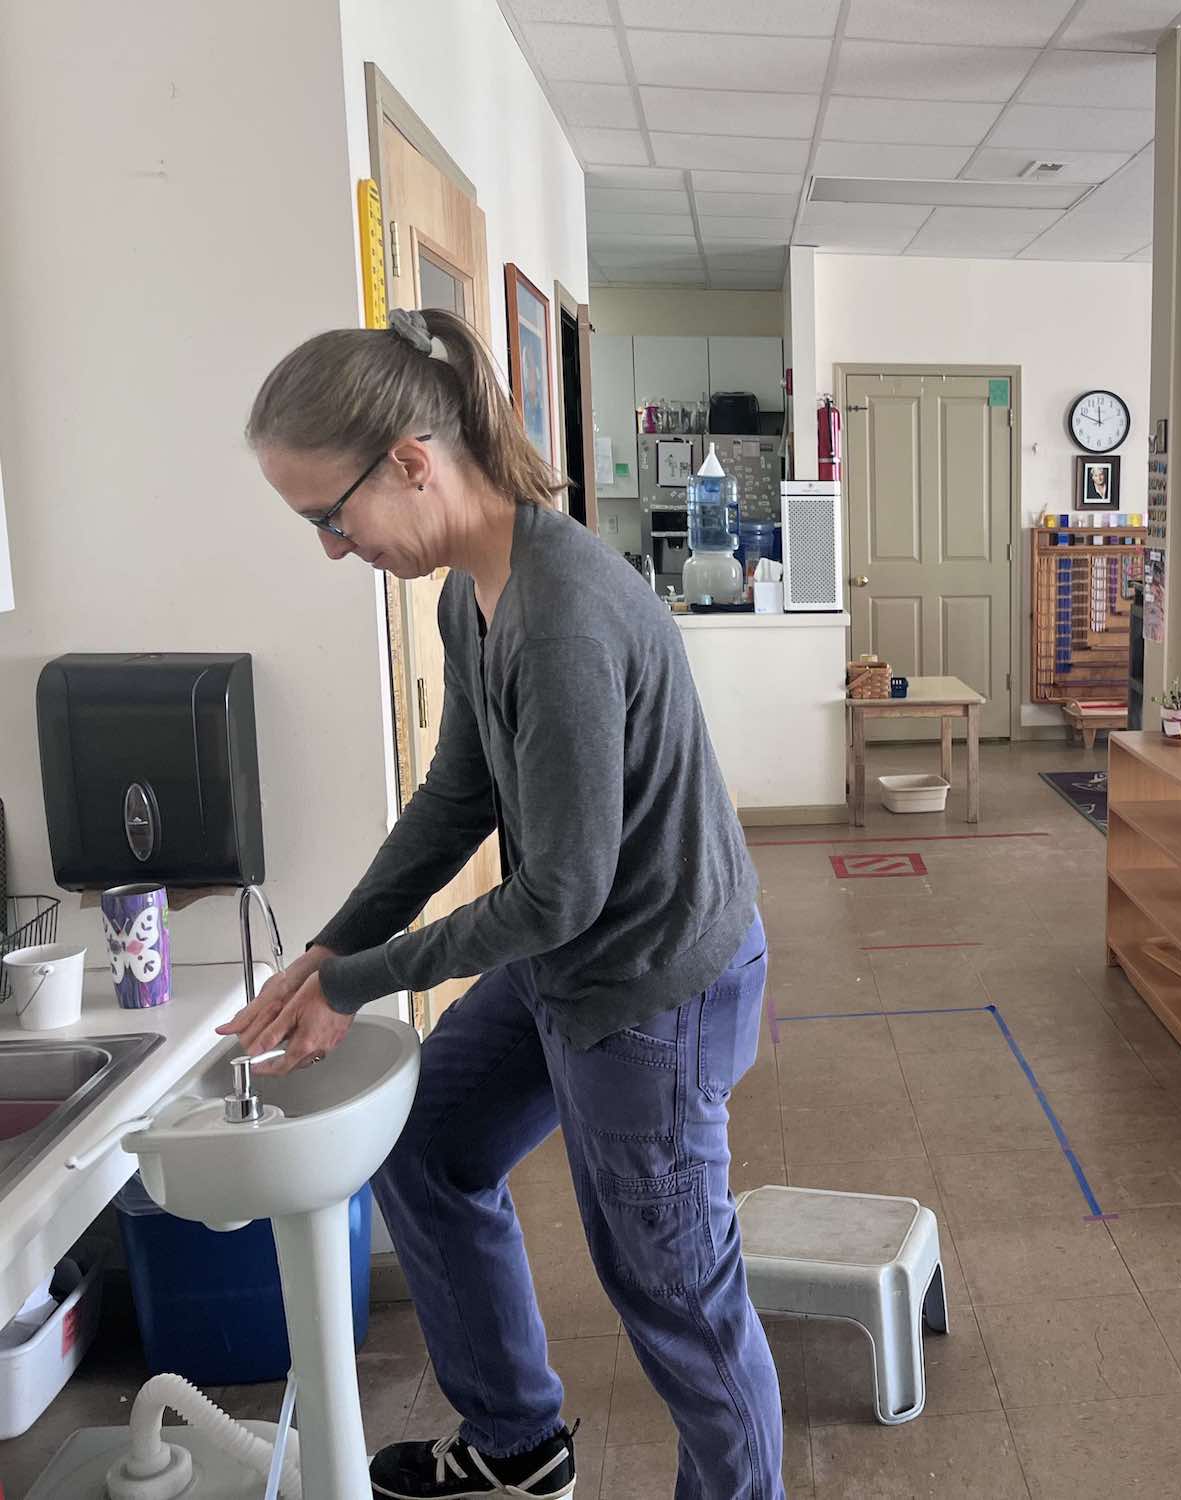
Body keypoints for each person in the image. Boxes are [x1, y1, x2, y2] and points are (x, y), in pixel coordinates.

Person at [229, 307, 780, 1500]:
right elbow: (455, 801)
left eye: (331, 517)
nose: (332, 548)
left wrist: (360, 983)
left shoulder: (564, 616)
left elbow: (563, 893)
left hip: (651, 983)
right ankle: (516, 1447)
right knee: (426, 1151)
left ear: (412, 464)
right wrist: (333, 946)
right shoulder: (469, 596)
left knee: (675, 1294)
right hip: (571, 956)